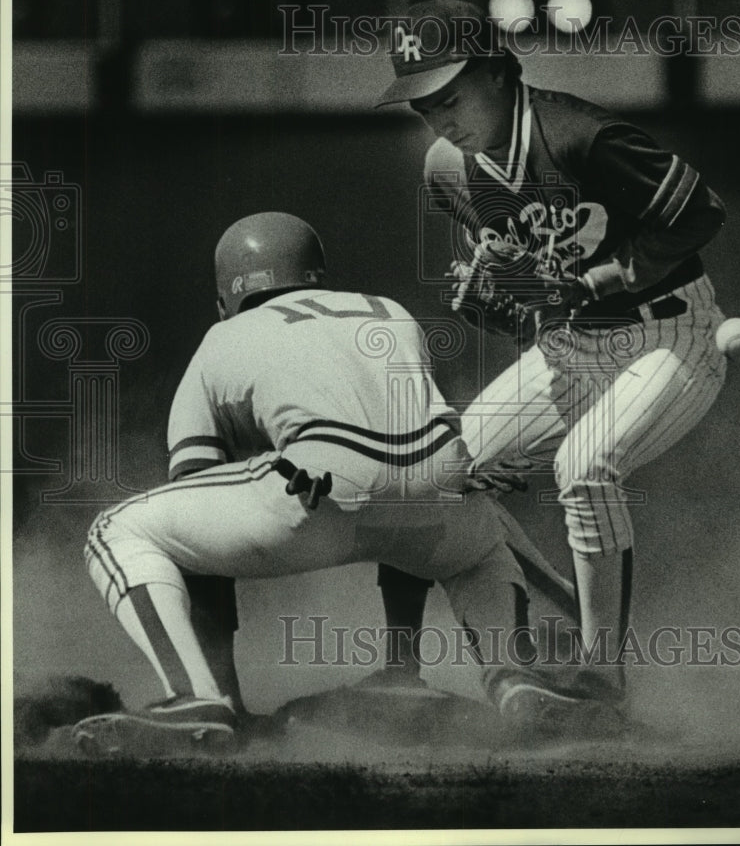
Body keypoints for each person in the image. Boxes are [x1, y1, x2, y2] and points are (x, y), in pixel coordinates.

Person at [73, 212, 578, 756]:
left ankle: (198, 698)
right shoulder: (390, 311)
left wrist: (229, 700)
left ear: (225, 298)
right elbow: (400, 477)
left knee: (118, 530)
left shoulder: (223, 336)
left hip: (318, 494)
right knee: (468, 534)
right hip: (443, 488)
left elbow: (196, 526)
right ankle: (503, 676)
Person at [372, 0, 728, 704]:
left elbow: (700, 212)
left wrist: (599, 280)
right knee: (435, 477)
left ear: (498, 71)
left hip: (668, 334)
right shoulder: (447, 170)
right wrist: (505, 308)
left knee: (584, 468)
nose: (439, 119)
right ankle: (545, 626)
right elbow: (536, 295)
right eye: (423, 106)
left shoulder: (580, 136)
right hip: (571, 347)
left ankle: (601, 679)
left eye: (450, 97)